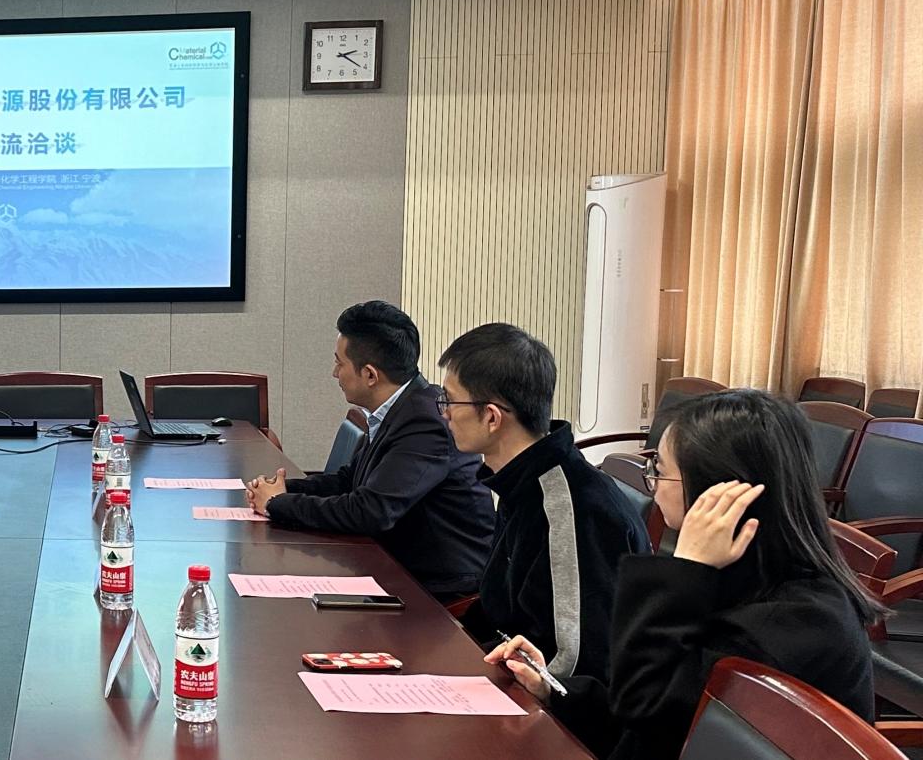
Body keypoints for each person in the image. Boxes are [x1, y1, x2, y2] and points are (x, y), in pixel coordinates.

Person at [487, 389, 882, 760]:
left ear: (718, 491)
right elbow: (656, 707)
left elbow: (649, 710)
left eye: (659, 470)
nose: (653, 485)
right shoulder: (742, 574)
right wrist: (554, 690)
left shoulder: (795, 622)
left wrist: (684, 569)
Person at [438, 323, 649, 681]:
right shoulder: (521, 479)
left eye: (449, 400)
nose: (444, 413)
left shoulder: (573, 506)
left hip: (552, 704)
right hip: (508, 670)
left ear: (491, 416)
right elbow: (499, 607)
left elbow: (572, 662)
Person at [245, 300, 495, 597]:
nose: (334, 373)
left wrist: (278, 504)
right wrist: (282, 489)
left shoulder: (425, 422)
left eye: (339, 363)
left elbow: (372, 511)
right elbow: (349, 480)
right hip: (395, 565)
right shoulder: (401, 409)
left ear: (370, 375)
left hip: (439, 588)